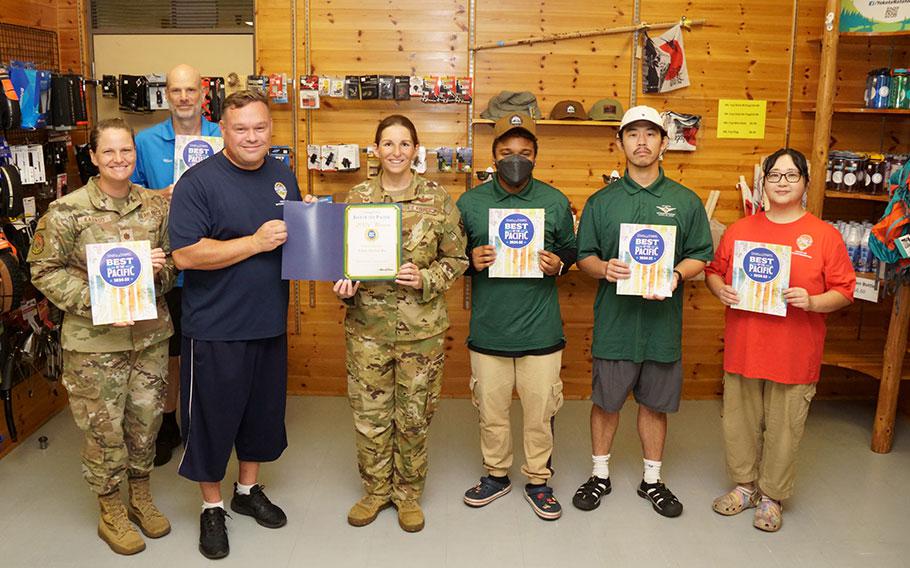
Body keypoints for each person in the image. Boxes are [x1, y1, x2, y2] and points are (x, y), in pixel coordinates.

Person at [29, 118, 176, 555]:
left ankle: (141, 495)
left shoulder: (155, 207)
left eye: (126, 151)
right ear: (93, 157)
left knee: (146, 422)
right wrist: (100, 303)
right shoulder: (67, 211)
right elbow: (43, 271)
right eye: (108, 152)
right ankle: (110, 507)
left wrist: (157, 273)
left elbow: (172, 265)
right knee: (103, 429)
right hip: (95, 344)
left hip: (148, 339)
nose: (119, 159)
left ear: (136, 154)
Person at [169, 90, 300, 559]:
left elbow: (299, 245)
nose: (251, 137)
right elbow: (185, 254)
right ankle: (212, 507)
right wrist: (255, 242)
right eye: (240, 128)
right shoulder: (198, 183)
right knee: (209, 422)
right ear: (221, 130)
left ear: (271, 129)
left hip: (267, 324)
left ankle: (247, 492)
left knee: (261, 418)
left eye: (259, 128)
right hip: (215, 328)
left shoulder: (283, 177)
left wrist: (339, 264)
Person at [571, 105, 713, 518]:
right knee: (606, 402)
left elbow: (701, 254)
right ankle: (600, 474)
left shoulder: (685, 202)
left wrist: (676, 276)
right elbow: (584, 258)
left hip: (661, 327)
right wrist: (604, 268)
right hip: (614, 324)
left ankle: (652, 480)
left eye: (650, 135)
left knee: (655, 404)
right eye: (632, 135)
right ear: (620, 143)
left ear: (664, 143)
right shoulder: (602, 202)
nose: (642, 142)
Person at [705, 148, 855, 532]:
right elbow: (714, 272)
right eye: (775, 176)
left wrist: (813, 300)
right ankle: (744, 487)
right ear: (764, 183)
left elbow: (844, 290)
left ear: (805, 183)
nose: (783, 183)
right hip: (745, 346)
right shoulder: (742, 229)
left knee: (786, 427)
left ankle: (771, 496)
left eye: (791, 176)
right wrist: (719, 289)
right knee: (738, 422)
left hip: (794, 350)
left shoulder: (824, 235)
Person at [333, 114, 468, 533]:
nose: (395, 152)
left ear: (416, 150)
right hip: (367, 329)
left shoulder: (437, 199)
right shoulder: (356, 198)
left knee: (413, 417)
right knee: (370, 417)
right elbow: (339, 262)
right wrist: (343, 284)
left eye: (404, 144)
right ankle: (375, 491)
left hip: (420, 332)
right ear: (374, 150)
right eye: (387, 144)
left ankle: (408, 495)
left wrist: (426, 277)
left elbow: (457, 259)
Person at [457, 112, 576, 520]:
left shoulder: (554, 201)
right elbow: (452, 257)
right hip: (489, 330)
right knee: (491, 411)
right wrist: (471, 261)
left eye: (524, 153)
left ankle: (539, 479)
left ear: (536, 157)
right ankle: (496, 474)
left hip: (540, 330)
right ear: (493, 156)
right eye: (507, 152)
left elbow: (571, 250)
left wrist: (557, 263)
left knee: (540, 413)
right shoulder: (471, 203)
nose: (515, 159)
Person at [132, 63, 221, 467]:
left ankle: (207, 423)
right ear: (166, 94)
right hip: (162, 264)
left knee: (209, 351)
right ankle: (168, 424)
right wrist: (159, 196)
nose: (184, 97)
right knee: (168, 350)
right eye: (176, 90)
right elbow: (126, 195)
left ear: (203, 93)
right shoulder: (146, 140)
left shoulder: (223, 136)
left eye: (191, 90)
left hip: (213, 261)